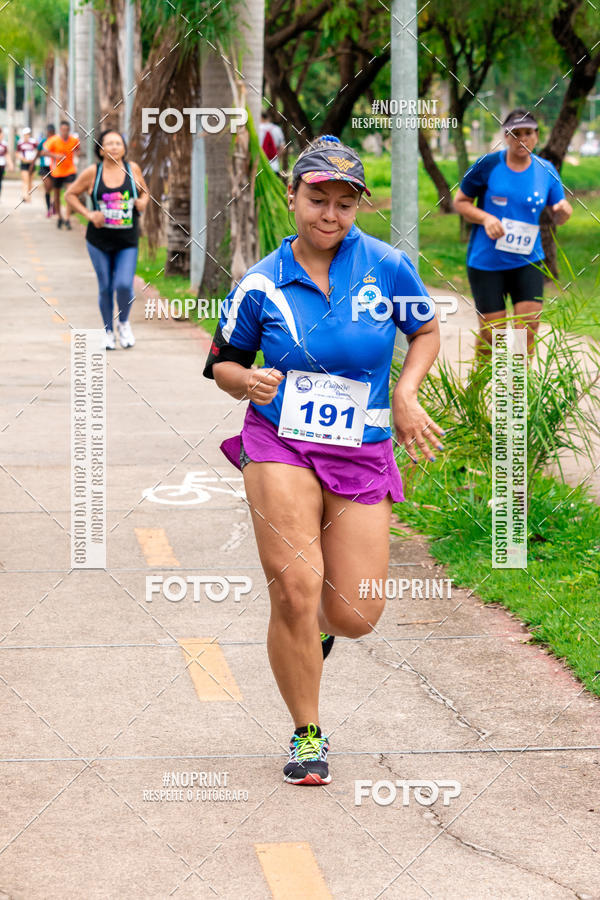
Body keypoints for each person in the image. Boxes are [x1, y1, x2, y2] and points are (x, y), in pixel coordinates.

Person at [203, 135, 442, 785]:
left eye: (344, 203)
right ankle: (308, 733)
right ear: (293, 196)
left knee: (355, 612)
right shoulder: (261, 282)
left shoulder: (389, 268)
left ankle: (320, 635)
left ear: (358, 207)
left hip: (360, 448)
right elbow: (221, 360)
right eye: (317, 199)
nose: (329, 214)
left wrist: (406, 391)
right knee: (297, 589)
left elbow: (423, 330)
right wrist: (243, 381)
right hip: (279, 442)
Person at [453, 108, 572, 360]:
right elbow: (460, 202)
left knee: (526, 334)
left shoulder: (546, 169)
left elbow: (557, 210)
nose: (522, 139)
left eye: (528, 133)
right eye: (515, 133)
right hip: (487, 263)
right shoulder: (487, 165)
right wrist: (485, 218)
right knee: (492, 336)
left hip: (528, 261)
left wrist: (563, 211)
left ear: (536, 136)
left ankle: (516, 397)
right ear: (506, 136)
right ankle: (475, 394)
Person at [65, 129, 149, 349]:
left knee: (123, 285)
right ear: (100, 150)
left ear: (124, 148)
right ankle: (108, 332)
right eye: (109, 144)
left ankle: (123, 323)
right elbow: (70, 194)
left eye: (118, 143)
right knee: (105, 287)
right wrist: (89, 214)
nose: (114, 147)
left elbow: (144, 193)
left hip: (127, 239)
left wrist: (143, 203)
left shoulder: (133, 170)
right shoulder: (93, 172)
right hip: (98, 240)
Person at [44, 120, 80, 229]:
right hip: (57, 171)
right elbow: (44, 152)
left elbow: (78, 149)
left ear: (69, 130)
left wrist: (78, 154)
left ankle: (68, 218)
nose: (64, 132)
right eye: (63, 130)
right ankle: (60, 217)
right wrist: (55, 155)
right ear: (60, 130)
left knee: (70, 193)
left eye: (66, 130)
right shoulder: (54, 140)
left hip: (70, 170)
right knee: (57, 196)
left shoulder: (74, 140)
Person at [29, 124, 56, 217]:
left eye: (51, 133)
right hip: (44, 167)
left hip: (54, 167)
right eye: (49, 133)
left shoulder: (57, 141)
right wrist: (32, 164)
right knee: (48, 186)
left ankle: (54, 205)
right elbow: (37, 153)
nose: (50, 135)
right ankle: (49, 208)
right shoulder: (43, 142)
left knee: (53, 188)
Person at [16, 126, 37, 202]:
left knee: (30, 181)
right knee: (25, 180)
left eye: (28, 134)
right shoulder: (20, 143)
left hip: (31, 164)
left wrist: (33, 159)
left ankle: (29, 195)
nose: (26, 136)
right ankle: (24, 196)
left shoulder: (33, 142)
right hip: (24, 163)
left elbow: (37, 151)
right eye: (25, 134)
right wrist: (23, 159)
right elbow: (17, 153)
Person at [0, 127, 15, 199]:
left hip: (1, 165)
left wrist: (10, 164)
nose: (1, 136)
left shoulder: (4, 144)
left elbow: (7, 154)